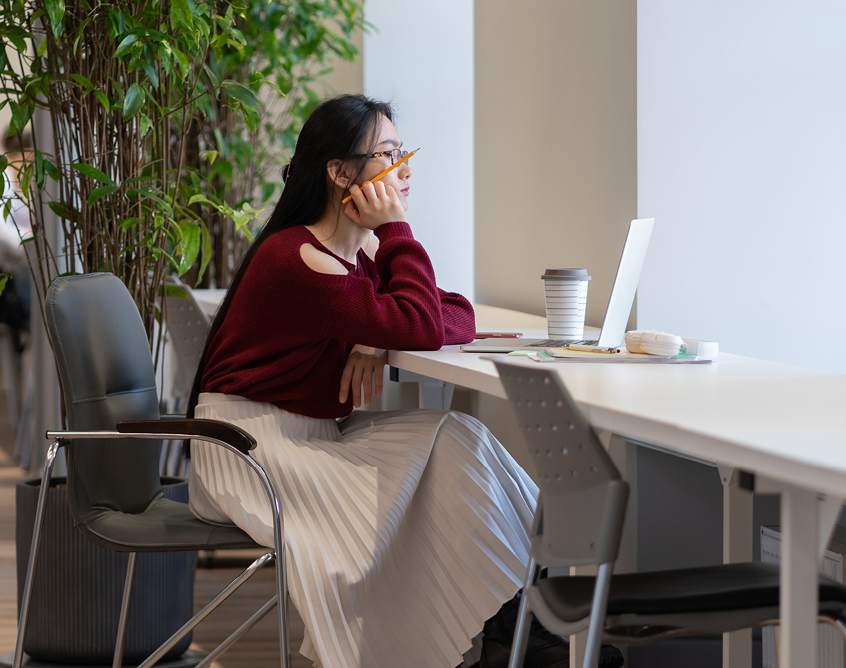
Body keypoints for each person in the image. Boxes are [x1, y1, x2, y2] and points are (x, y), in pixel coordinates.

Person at [186, 95, 620, 668]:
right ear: (340, 173)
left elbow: (454, 315)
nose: (406, 169)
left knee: (455, 439)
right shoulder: (298, 259)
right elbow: (420, 321)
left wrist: (374, 333)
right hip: (251, 449)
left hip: (305, 436)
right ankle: (509, 636)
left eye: (402, 152)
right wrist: (395, 233)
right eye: (388, 155)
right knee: (439, 464)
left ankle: (512, 627)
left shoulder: (345, 257)